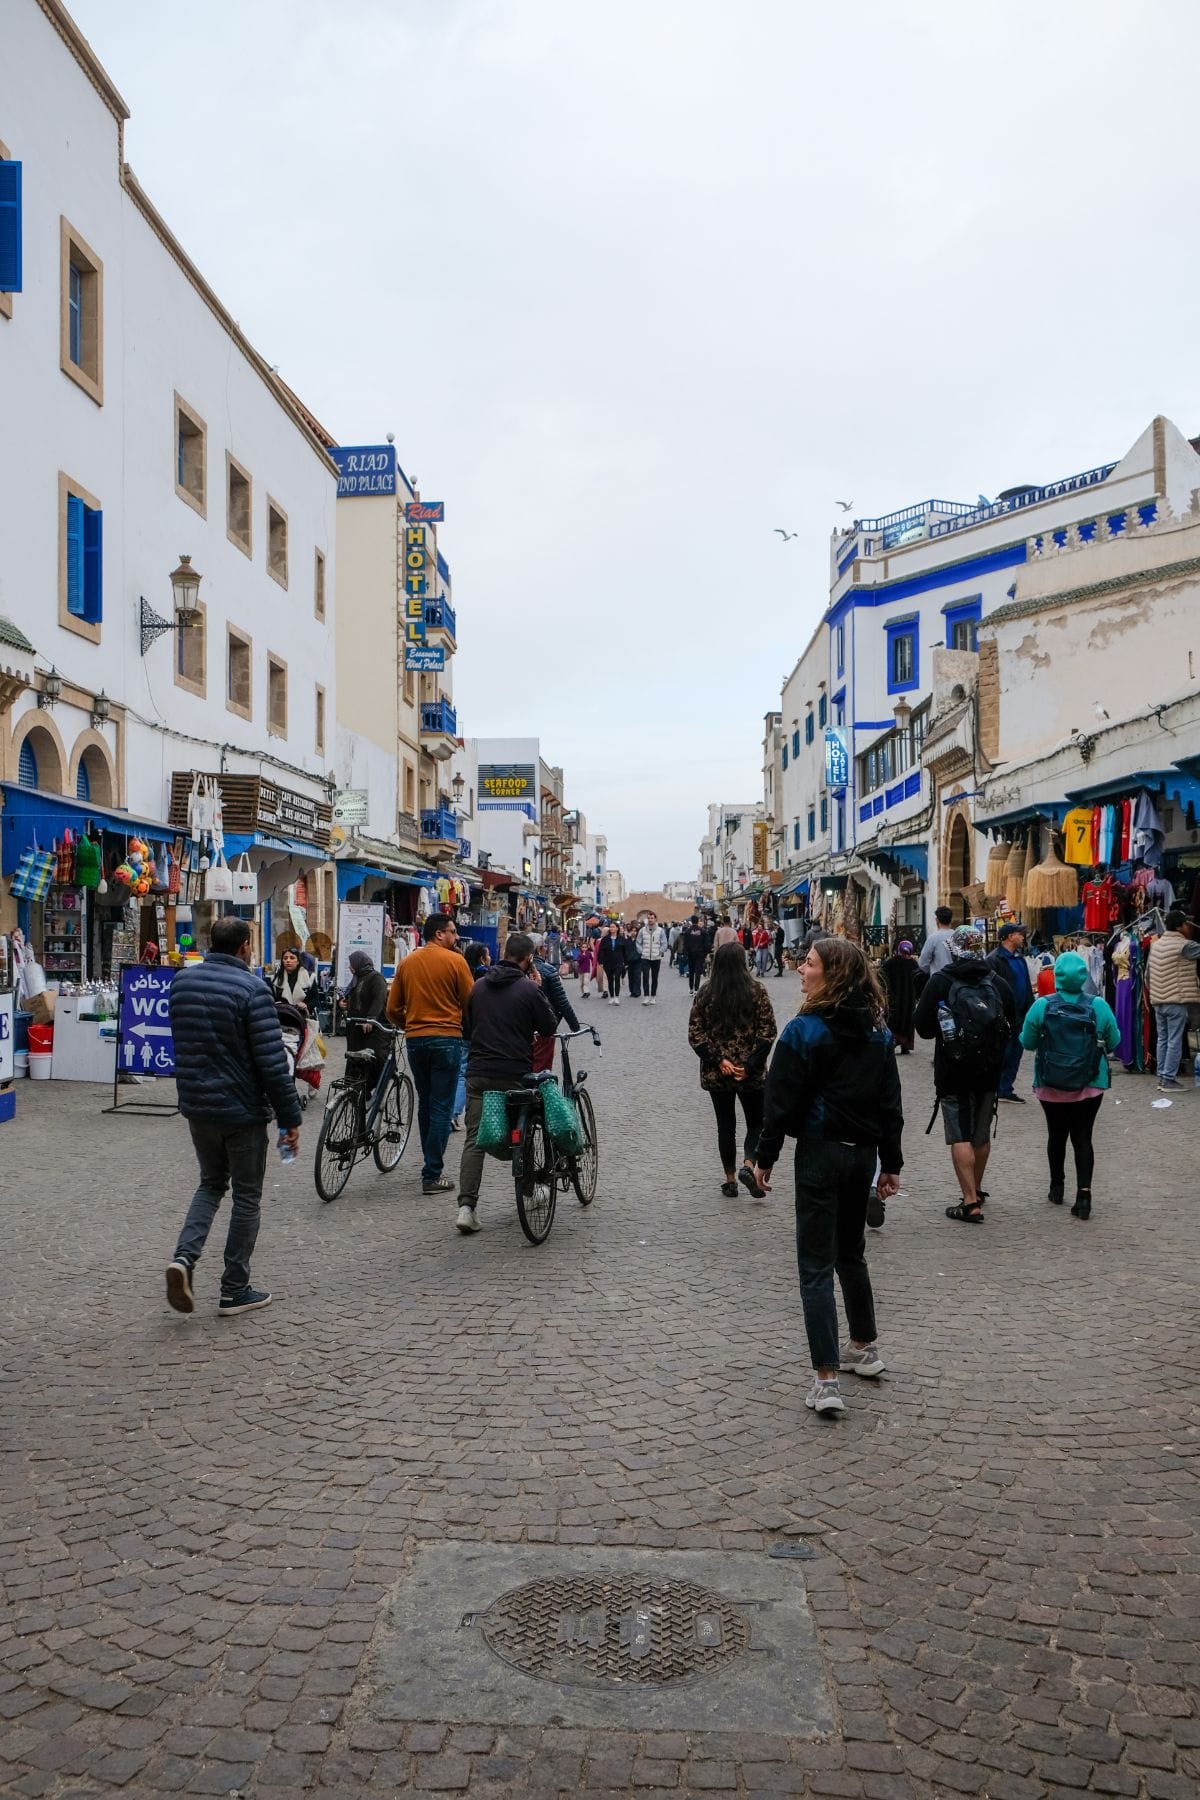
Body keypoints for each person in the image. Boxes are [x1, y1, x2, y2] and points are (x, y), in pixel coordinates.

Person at [752, 938, 903, 1417]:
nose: (801, 968)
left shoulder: (804, 1032)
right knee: (851, 1255)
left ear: (832, 973)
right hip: (860, 1157)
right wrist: (890, 1162)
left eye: (810, 963)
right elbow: (890, 1104)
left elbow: (779, 1102)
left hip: (820, 1152)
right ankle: (864, 1347)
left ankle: (826, 1378)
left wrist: (764, 1156)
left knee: (816, 1266)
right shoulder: (878, 1032)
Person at [165, 917, 301, 1318]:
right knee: (246, 1196)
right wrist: (289, 1118)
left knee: (210, 1184)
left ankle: (184, 1260)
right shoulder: (253, 989)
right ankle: (234, 1288)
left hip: (197, 1104)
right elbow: (272, 1064)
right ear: (244, 946)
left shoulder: (181, 984)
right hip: (241, 1109)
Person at [455, 932, 559, 1234]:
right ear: (528, 959)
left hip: (478, 1072)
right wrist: (538, 991)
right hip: (514, 1072)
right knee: (522, 1134)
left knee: (473, 1139)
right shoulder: (529, 988)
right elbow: (549, 1027)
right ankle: (528, 1193)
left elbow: (468, 1028)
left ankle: (466, 1207)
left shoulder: (478, 987)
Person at [914, 924, 1015, 1224]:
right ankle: (977, 1188)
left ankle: (970, 1201)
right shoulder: (998, 983)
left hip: (953, 1068)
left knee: (960, 1132)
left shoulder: (941, 981)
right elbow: (1012, 1025)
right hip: (989, 1070)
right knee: (981, 1133)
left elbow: (922, 1027)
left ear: (953, 949)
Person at [1019, 951, 1121, 1220]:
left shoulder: (1042, 1006)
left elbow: (1027, 1042)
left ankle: (1056, 1187)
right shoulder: (1098, 1005)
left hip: (1050, 1083)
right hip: (1090, 1082)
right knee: (1083, 1137)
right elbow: (1114, 1041)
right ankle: (1084, 1195)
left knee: (1056, 1134)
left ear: (1057, 977)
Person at [386, 912, 475, 1195]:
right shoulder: (455, 961)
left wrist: (410, 1025)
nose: (456, 936)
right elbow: (470, 1003)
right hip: (446, 1039)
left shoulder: (407, 962)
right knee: (441, 1107)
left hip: (416, 1041)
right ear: (439, 934)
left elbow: (391, 1009)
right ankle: (432, 1173)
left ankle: (430, 1166)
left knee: (426, 1103)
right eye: (452, 931)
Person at [688, 943, 777, 1197]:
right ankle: (749, 1164)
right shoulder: (757, 991)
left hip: (719, 1074)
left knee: (725, 1125)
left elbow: (696, 1033)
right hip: (750, 1072)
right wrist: (749, 1065)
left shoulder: (706, 993)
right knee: (756, 1123)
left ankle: (729, 1179)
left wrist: (719, 1061)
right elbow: (767, 1032)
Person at [1147, 909, 1200, 1090]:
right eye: (1186, 923)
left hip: (1158, 1000)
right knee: (1174, 1040)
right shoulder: (1185, 946)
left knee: (1162, 1039)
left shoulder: (1156, 945)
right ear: (1179, 926)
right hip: (1175, 1000)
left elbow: (1148, 975)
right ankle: (1169, 1079)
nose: (1188, 926)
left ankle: (1163, 1076)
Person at [987, 922, 1034, 1101]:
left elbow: (1027, 986)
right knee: (1004, 1051)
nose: (1022, 937)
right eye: (1019, 933)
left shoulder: (1019, 958)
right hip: (1004, 1014)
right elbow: (991, 988)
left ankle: (1006, 1088)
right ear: (1009, 936)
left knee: (1016, 1051)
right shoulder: (994, 960)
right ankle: (997, 1087)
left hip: (1021, 1013)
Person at [451, 942, 492, 1128]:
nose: (490, 958)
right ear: (482, 958)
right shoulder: (485, 976)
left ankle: (452, 1111)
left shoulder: (462, 971)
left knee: (458, 1070)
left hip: (459, 1028)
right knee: (465, 1072)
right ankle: (455, 1112)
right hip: (474, 1030)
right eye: (488, 955)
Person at [528, 932, 581, 1070]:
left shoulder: (518, 970)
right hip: (543, 1027)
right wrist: (575, 1026)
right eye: (544, 946)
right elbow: (562, 1002)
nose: (546, 949)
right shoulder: (548, 970)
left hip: (519, 1029)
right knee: (542, 1067)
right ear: (540, 949)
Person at [341, 949, 390, 1076]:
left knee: (372, 1060)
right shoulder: (356, 979)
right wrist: (344, 1003)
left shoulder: (376, 978)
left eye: (352, 963)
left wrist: (371, 1019)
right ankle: (355, 1092)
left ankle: (371, 1088)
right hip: (356, 1028)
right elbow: (354, 998)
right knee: (355, 1060)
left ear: (359, 963)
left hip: (372, 1029)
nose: (349, 967)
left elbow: (379, 998)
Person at [880, 939, 919, 1053]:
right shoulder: (913, 964)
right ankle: (905, 1045)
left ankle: (893, 1041)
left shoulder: (890, 962)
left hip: (894, 997)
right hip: (909, 998)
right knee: (908, 1020)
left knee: (893, 1019)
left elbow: (882, 978)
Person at [917, 906, 957, 985]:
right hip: (956, 980)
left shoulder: (933, 938)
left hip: (939, 980)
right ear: (951, 920)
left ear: (937, 920)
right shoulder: (958, 936)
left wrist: (929, 971)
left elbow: (923, 962)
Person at [635, 912, 668, 1004]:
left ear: (655, 919)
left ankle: (653, 996)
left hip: (656, 958)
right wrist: (641, 951)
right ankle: (646, 997)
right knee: (645, 977)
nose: (650, 920)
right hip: (645, 957)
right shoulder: (642, 930)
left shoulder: (660, 930)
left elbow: (664, 943)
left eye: (652, 918)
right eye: (648, 918)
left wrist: (660, 951)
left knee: (654, 978)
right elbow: (638, 942)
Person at [272, 945, 314, 1012]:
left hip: (302, 1016)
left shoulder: (309, 978)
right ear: (282, 961)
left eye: (292, 958)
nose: (288, 960)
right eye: (285, 958)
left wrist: (306, 1005)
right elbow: (271, 999)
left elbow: (315, 999)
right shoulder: (276, 979)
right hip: (282, 1017)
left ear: (298, 961)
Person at [597, 921, 629, 1004]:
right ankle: (611, 996)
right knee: (610, 979)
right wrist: (601, 961)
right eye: (610, 927)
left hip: (618, 961)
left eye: (613, 927)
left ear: (617, 928)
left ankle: (617, 997)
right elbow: (601, 951)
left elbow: (625, 951)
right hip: (608, 962)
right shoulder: (605, 939)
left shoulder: (622, 939)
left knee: (617, 978)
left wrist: (626, 962)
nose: (612, 928)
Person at [682, 916, 709, 993]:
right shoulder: (703, 931)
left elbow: (685, 943)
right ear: (697, 921)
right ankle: (696, 989)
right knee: (698, 972)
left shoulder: (688, 931)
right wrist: (705, 953)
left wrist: (685, 953)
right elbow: (706, 944)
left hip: (691, 954)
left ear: (691, 921)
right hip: (700, 954)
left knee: (691, 971)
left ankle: (691, 988)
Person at [625, 923, 644, 1001]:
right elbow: (625, 951)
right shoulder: (627, 941)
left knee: (637, 976)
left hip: (638, 961)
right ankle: (632, 991)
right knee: (630, 976)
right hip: (629, 961)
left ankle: (637, 991)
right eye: (632, 931)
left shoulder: (639, 941)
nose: (633, 932)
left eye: (635, 931)